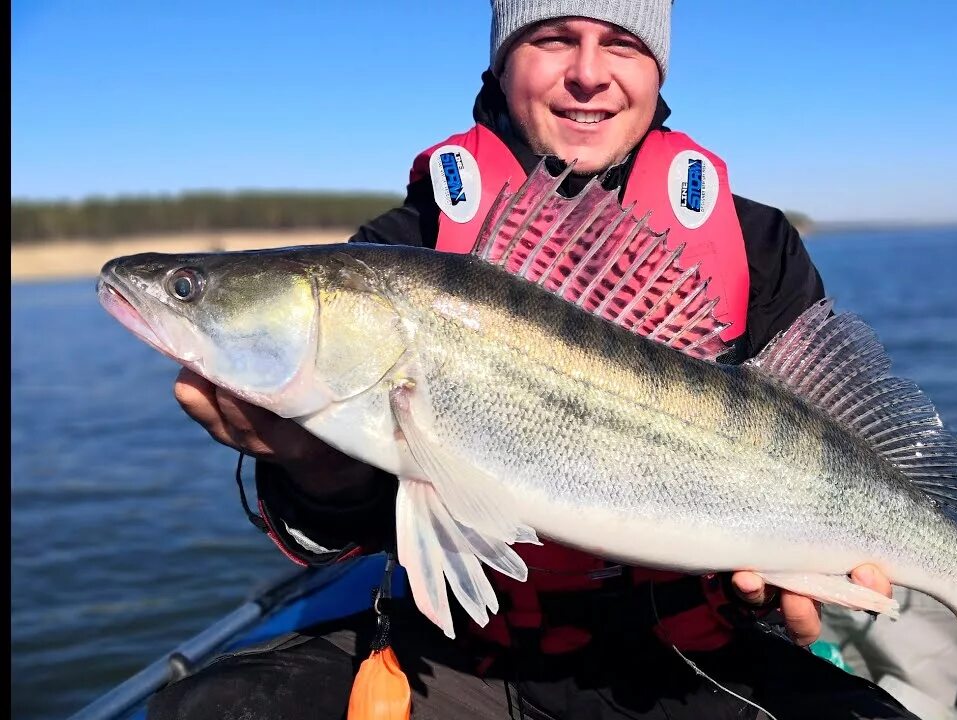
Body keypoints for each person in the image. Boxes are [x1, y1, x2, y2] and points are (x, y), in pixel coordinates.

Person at [150, 2, 918, 719]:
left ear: (658, 72)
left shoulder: (757, 245)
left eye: (623, 43)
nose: (588, 71)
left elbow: (824, 423)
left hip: (698, 649)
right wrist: (316, 470)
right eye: (551, 39)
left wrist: (782, 581)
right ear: (501, 63)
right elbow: (346, 526)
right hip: (468, 654)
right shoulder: (403, 247)